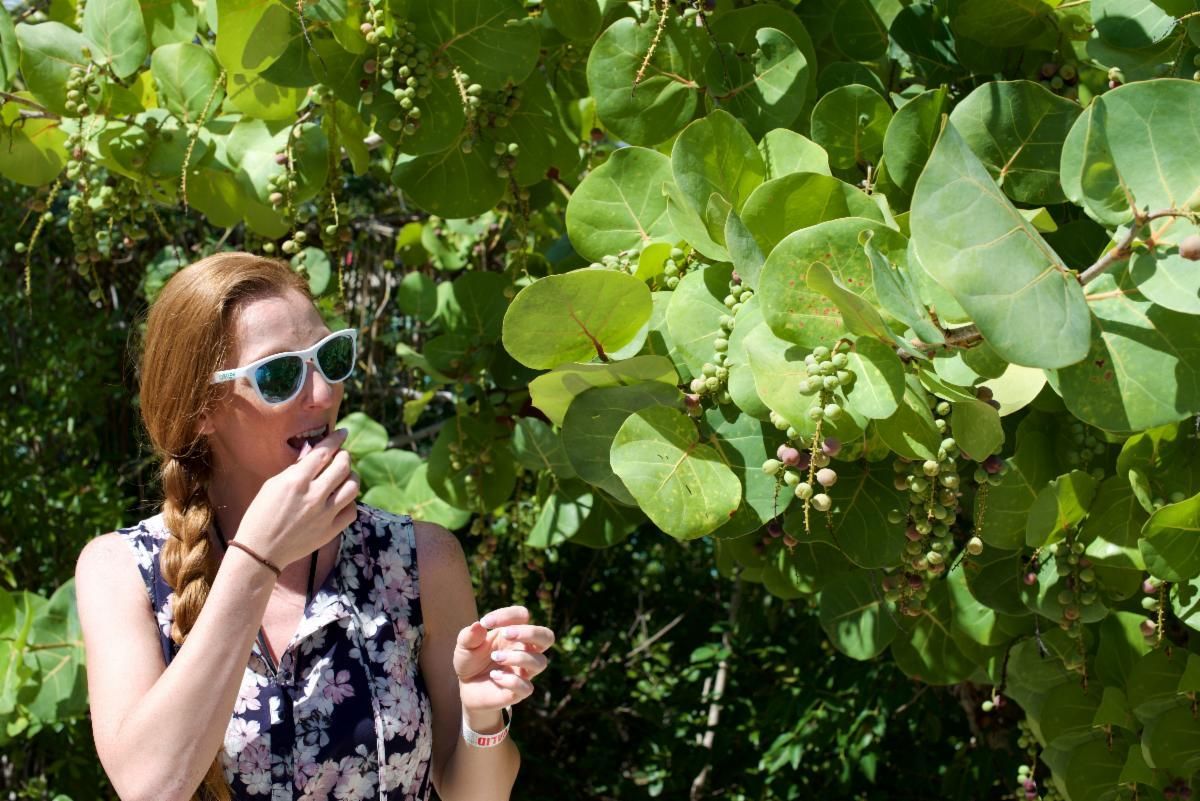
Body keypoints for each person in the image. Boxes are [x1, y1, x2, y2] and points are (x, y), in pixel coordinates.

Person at [74, 252, 554, 801]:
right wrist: (257, 558)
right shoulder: (121, 573)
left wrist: (482, 718)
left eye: (331, 356)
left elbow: (474, 795)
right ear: (200, 410)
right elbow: (151, 788)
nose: (324, 394)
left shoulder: (422, 560)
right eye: (280, 375)